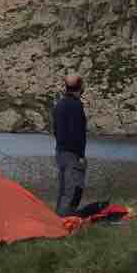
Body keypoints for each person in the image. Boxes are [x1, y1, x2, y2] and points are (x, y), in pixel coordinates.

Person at [51, 74, 88, 217]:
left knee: (64, 189)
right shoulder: (76, 105)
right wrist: (80, 156)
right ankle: (64, 222)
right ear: (80, 87)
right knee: (73, 189)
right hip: (73, 154)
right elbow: (77, 133)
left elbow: (55, 129)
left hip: (60, 152)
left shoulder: (59, 104)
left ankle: (58, 219)